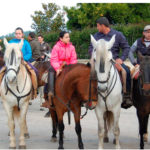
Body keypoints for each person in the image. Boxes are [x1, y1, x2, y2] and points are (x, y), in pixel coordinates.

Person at [89, 17, 132, 109]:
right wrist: (93, 56)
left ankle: (126, 96)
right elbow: (90, 48)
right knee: (88, 71)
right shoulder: (96, 36)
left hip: (114, 60)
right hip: (99, 61)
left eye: (97, 26)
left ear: (103, 25)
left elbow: (126, 48)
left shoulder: (118, 35)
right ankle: (90, 97)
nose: (97, 28)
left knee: (126, 72)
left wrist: (121, 59)